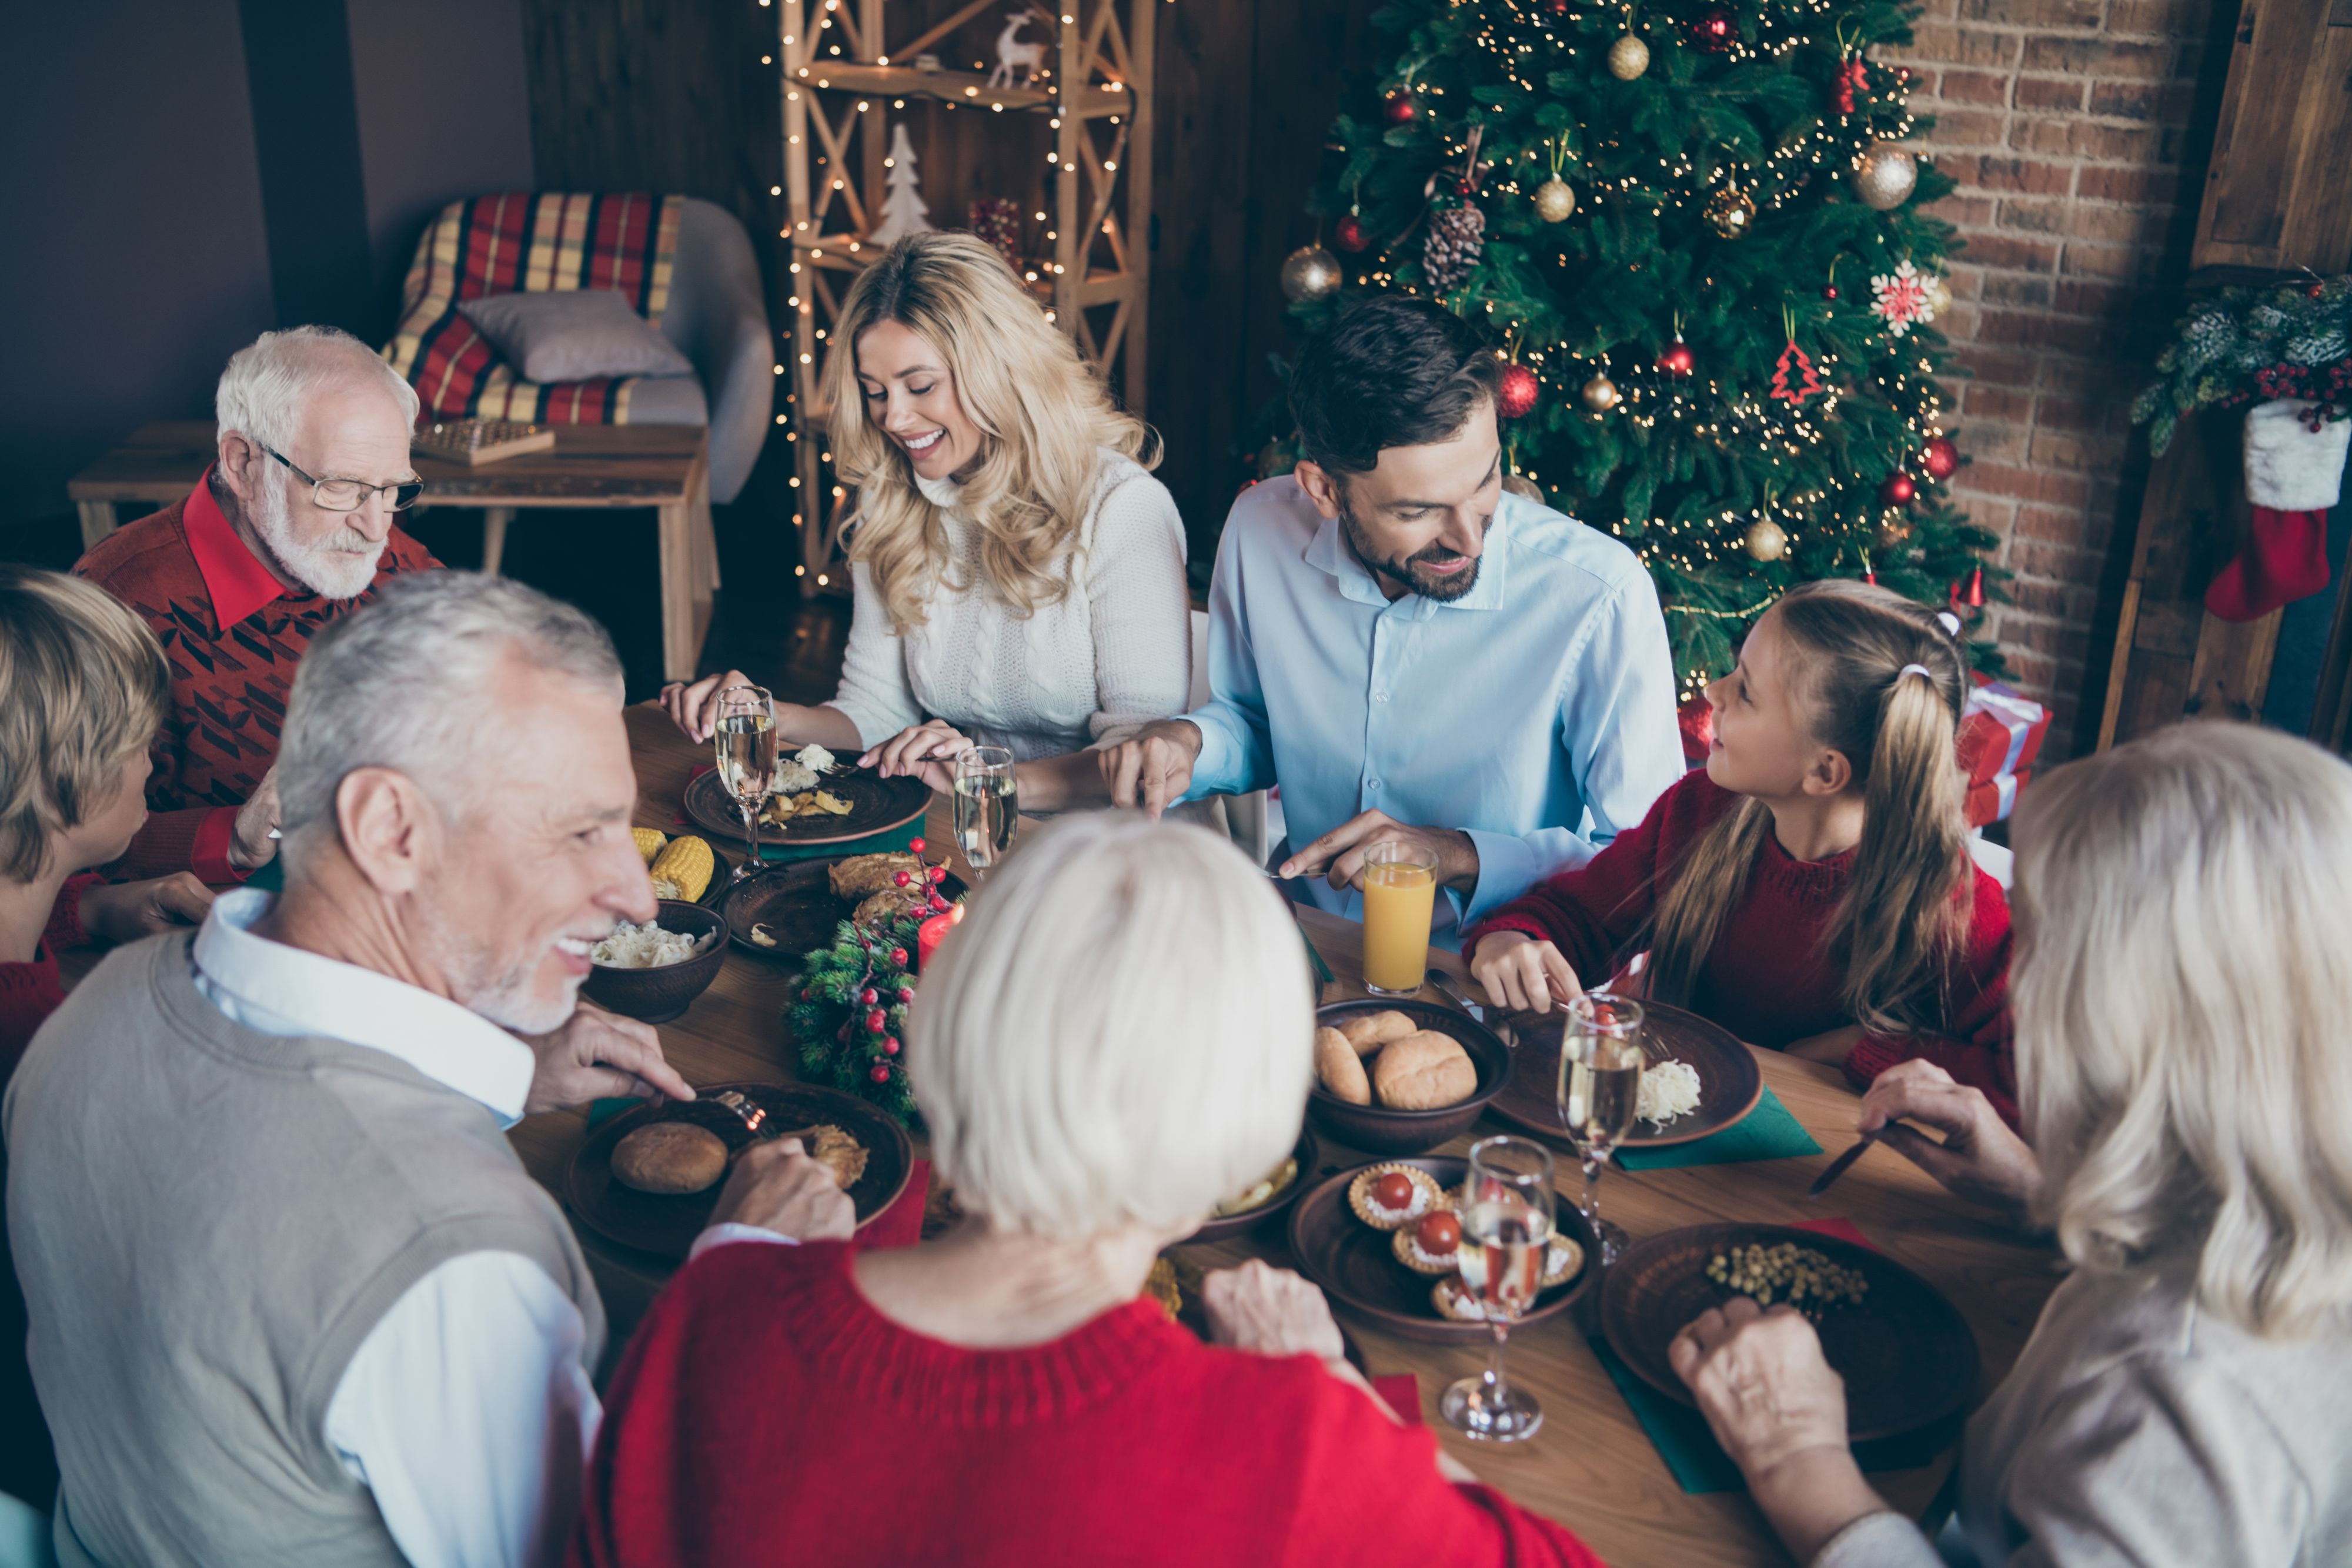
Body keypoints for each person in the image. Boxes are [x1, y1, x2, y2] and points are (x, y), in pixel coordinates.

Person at [8, 573, 853, 1568]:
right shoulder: (456, 1260)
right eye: (580, 830)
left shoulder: (92, 1010)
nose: (633, 893)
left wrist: (489, 1075)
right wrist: (741, 1279)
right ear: (390, 830)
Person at [572, 813, 1607, 1567]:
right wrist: (1324, 1380)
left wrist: (740, 1259)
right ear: (1238, 1118)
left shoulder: (716, 1308)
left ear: (943, 1027)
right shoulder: (1285, 1446)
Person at [1672, 722, 2352, 1567]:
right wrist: (2038, 1193)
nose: (2025, 982)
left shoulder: (2194, 1399)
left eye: (2048, 946)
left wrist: (1798, 1459)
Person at [1088, 296, 1683, 935]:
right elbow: (1257, 722)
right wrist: (1190, 745)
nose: (1470, 540)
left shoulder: (1598, 595)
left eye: (1484, 483)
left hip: (1499, 978)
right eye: (1417, 511)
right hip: (1314, 944)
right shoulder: (1260, 529)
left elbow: (1651, 862)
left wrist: (1455, 855)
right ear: (1323, 490)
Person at [662, 232, 1190, 803]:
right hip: (971, 819)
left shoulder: (1121, 508)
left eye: (920, 386)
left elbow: (1141, 758)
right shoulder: (894, 501)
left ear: (1001, 369)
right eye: (875, 392)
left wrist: (986, 780)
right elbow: (873, 710)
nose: (894, 417)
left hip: (1114, 840)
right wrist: (764, 714)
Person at [1462, 580, 2013, 1115]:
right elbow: (1580, 915)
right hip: (1660, 1135)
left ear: (1825, 771)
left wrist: (1863, 1051)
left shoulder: (1957, 907)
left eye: (1746, 691)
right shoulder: (1698, 811)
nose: (1712, 692)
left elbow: (2031, 1084)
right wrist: (1518, 937)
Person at [0, 567, 220, 1509]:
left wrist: (99, 904)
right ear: (60, 783)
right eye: (138, 744)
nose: (152, 766)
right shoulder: (37, 1053)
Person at [74, 325, 442, 885]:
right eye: (341, 487)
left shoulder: (394, 562)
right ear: (243, 464)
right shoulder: (113, 608)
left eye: (392, 489)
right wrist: (237, 836)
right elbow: (50, 846)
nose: (375, 528)